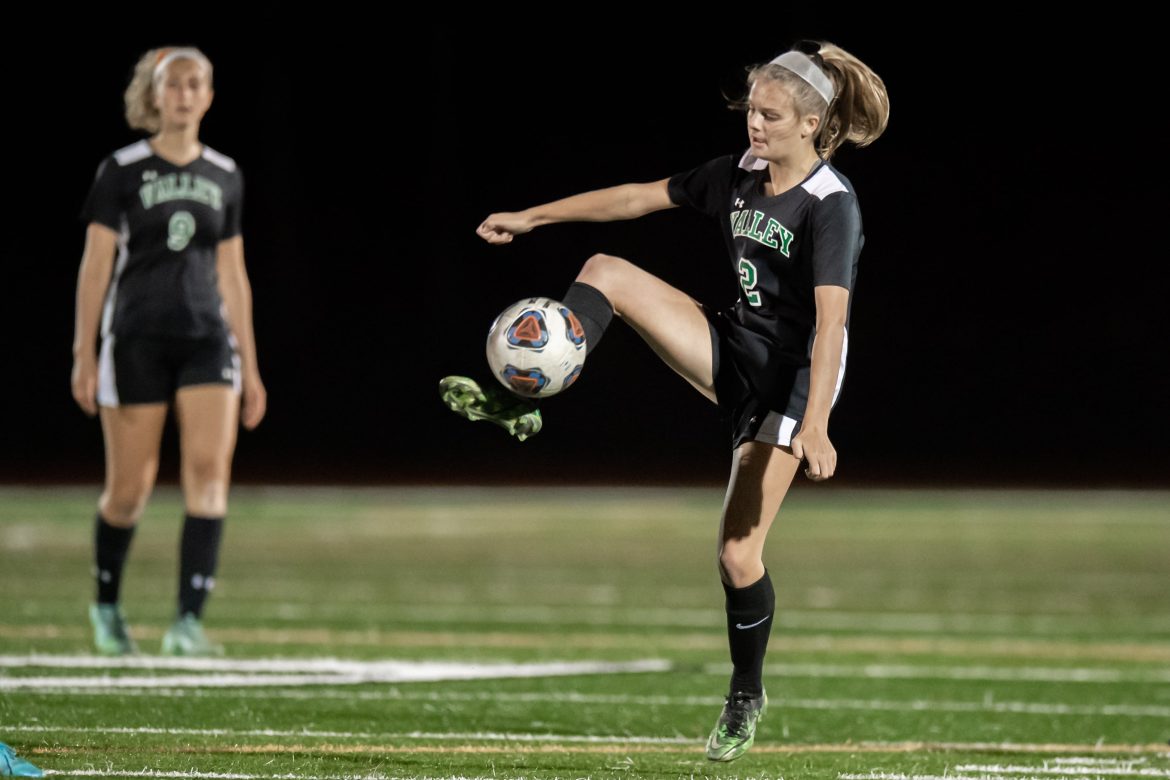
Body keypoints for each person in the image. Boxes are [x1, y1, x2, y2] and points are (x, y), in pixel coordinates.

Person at [440, 41, 888, 761]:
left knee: (739, 555)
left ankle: (746, 694)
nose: (755, 126)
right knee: (604, 271)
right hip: (734, 347)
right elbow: (635, 197)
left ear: (810, 124)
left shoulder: (832, 206)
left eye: (771, 116)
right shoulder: (740, 175)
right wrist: (532, 216)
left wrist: (819, 425)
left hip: (792, 383)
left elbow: (833, 323)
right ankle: (528, 395)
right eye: (751, 111)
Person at [71, 46, 266, 656]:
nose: (184, 94)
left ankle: (187, 623)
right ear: (154, 96)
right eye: (172, 84)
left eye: (195, 84)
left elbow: (233, 273)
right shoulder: (122, 169)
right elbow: (96, 265)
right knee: (129, 490)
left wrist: (253, 369)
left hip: (208, 339)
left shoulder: (225, 174)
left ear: (208, 96)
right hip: (135, 339)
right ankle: (107, 608)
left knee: (208, 477)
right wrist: (83, 352)